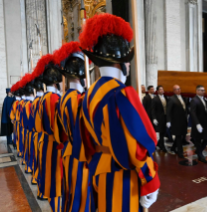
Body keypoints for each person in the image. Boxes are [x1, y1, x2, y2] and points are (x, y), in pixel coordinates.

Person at [78, 13, 159, 211]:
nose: (129, 65)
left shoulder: (88, 95)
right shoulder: (121, 93)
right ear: (121, 62)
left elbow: (85, 143)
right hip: (122, 175)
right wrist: (150, 179)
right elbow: (135, 146)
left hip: (99, 173)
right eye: (128, 60)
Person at [53, 41, 92, 211]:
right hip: (81, 154)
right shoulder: (81, 99)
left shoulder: (61, 99)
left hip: (67, 151)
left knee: (69, 194)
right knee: (81, 197)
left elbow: (58, 134)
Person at [33, 53, 63, 211]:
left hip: (44, 142)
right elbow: (58, 129)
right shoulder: (55, 99)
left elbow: (38, 125)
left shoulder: (42, 99)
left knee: (50, 184)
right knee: (56, 186)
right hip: (55, 145)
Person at [190, 85, 207, 163]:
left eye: (204, 90)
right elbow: (193, 113)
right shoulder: (194, 100)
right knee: (198, 140)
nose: (203, 92)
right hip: (198, 124)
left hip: (205, 123)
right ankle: (200, 155)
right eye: (201, 90)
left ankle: (199, 151)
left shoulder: (204, 99)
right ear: (197, 91)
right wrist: (197, 124)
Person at [166, 84, 189, 158]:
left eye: (179, 88)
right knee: (178, 136)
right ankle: (180, 152)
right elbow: (168, 111)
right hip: (176, 121)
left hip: (183, 120)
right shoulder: (172, 99)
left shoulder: (182, 97)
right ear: (173, 91)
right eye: (176, 89)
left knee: (181, 135)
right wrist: (168, 121)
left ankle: (173, 147)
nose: (178, 90)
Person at [152, 85, 168, 152]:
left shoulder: (165, 98)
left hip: (165, 117)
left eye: (162, 89)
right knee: (161, 132)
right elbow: (153, 110)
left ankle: (160, 143)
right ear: (158, 91)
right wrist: (154, 118)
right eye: (160, 89)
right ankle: (162, 146)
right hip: (159, 117)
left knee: (164, 131)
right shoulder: (155, 99)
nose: (162, 90)